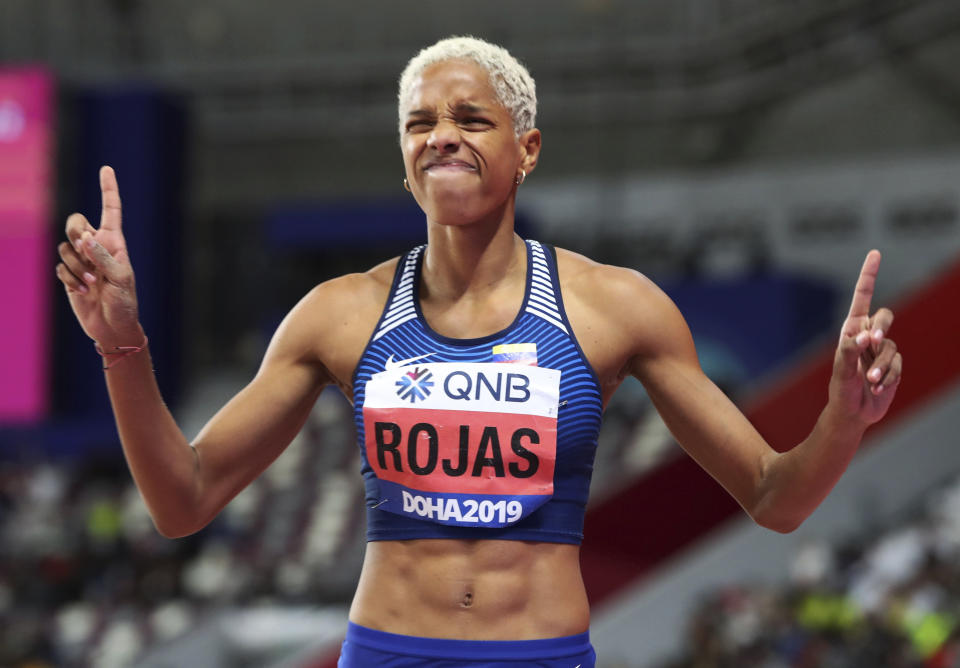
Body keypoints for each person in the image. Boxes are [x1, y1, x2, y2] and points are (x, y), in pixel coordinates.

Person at [55, 36, 902, 668]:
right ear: (403, 156)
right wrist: (122, 346)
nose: (442, 137)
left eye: (471, 118)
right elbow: (183, 499)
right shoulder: (338, 315)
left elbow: (773, 495)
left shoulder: (615, 307)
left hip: (539, 654)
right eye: (420, 123)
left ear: (527, 148)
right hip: (387, 651)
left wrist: (844, 419)